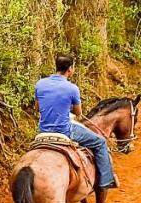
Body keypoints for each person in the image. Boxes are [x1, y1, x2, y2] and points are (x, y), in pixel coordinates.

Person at [35, 55, 116, 193]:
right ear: (70, 69)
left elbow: (37, 108)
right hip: (65, 131)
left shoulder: (40, 84)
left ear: (56, 67)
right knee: (100, 142)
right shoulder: (72, 88)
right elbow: (78, 113)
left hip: (42, 131)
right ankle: (106, 181)